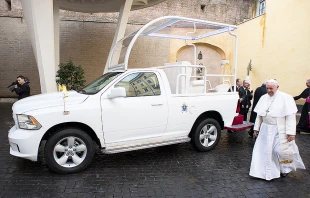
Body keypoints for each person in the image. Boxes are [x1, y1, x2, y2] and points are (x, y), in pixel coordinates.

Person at [249, 79, 305, 181]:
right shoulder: (263, 98)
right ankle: (263, 172)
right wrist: (256, 129)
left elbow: (290, 117)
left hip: (280, 129)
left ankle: (286, 168)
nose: (269, 90)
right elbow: (259, 115)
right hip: (265, 129)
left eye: (271, 88)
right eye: (267, 88)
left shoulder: (286, 98)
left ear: (277, 87)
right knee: (264, 151)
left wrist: (291, 132)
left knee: (281, 151)